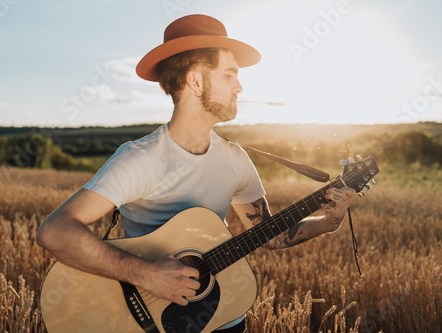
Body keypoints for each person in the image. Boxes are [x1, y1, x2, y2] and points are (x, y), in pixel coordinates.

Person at [36, 14, 355, 333]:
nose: (239, 86)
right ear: (196, 81)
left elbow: (270, 235)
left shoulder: (236, 159)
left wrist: (327, 223)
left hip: (223, 318)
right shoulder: (141, 159)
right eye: (229, 75)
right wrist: (146, 274)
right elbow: (54, 231)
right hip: (149, 321)